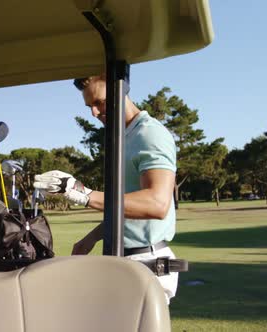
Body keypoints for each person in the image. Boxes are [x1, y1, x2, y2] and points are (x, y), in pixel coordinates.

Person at [33, 74, 178, 304]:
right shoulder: (123, 137)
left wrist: (81, 193)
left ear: (122, 90)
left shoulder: (150, 134)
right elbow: (126, 206)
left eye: (99, 102)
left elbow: (156, 204)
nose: (94, 112)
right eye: (90, 106)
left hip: (147, 264)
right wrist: (91, 238)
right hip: (124, 262)